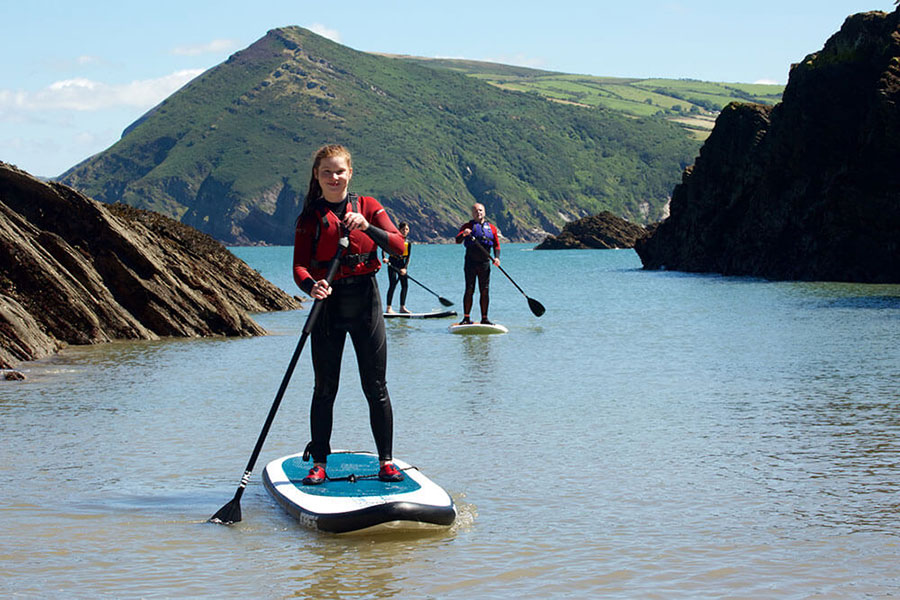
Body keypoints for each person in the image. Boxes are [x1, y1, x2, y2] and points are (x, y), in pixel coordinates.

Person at [292, 144, 407, 485]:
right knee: (324, 388)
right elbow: (299, 266)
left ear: (350, 173)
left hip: (365, 301)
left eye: (339, 171)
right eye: (326, 171)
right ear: (317, 175)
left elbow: (400, 246)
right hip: (327, 305)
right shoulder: (310, 217)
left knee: (376, 387)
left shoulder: (368, 207)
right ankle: (320, 463)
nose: (333, 177)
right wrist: (312, 285)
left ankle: (386, 462)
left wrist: (367, 227)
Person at [455, 203, 500, 325]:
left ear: (484, 212)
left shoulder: (492, 228)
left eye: (480, 210)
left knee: (484, 290)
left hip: (485, 263)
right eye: (475, 211)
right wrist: (464, 234)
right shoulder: (467, 226)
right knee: (469, 289)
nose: (478, 213)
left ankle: (484, 318)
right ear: (472, 214)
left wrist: (497, 258)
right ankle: (466, 318)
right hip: (470, 262)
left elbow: (496, 245)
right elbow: (457, 240)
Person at [383, 222, 411, 314]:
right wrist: (384, 258)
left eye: (406, 229)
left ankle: (402, 307)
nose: (405, 231)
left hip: (402, 265)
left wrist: (405, 268)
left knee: (405, 285)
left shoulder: (408, 243)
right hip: (392, 263)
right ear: (399, 230)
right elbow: (384, 247)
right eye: (403, 229)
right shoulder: (393, 239)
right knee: (393, 284)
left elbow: (408, 257)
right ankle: (388, 308)